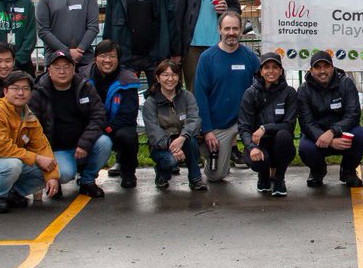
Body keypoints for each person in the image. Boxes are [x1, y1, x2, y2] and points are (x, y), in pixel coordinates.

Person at [0, 70, 60, 213]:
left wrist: (52, 175)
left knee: (48, 168)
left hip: (11, 163)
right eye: (15, 88)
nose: (21, 93)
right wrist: (36, 158)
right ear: (5, 91)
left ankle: (12, 193)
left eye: (25, 89)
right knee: (13, 165)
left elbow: (42, 145)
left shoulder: (29, 116)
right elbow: (3, 149)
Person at [29, 50, 112, 198]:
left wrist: (85, 142)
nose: (62, 71)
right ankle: (55, 182)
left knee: (105, 142)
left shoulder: (84, 87)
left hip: (82, 145)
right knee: (65, 173)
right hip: (56, 149)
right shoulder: (38, 92)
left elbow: (98, 115)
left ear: (73, 69)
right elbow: (33, 127)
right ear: (49, 70)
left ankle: (87, 181)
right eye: (57, 67)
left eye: (67, 67)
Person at [194, 11, 260, 183]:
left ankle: (270, 174)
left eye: (235, 28)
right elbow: (201, 96)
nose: (231, 32)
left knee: (266, 152)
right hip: (220, 124)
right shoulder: (207, 58)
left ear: (240, 31)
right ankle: (209, 154)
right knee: (216, 176)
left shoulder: (251, 57)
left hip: (246, 122)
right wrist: (207, 131)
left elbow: (265, 88)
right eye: (227, 28)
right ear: (219, 30)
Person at [297, 51, 363, 188]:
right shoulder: (303, 90)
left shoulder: (346, 83)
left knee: (361, 136)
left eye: (326, 66)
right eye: (317, 67)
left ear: (332, 67)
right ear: (311, 71)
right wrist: (328, 140)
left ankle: (348, 171)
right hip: (317, 135)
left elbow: (353, 114)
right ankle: (317, 171)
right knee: (305, 148)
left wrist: (332, 132)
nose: (322, 71)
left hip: (342, 131)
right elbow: (306, 123)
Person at [238, 52, 298, 196]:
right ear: (261, 71)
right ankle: (263, 176)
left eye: (275, 67)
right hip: (259, 144)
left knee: (284, 136)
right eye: (267, 67)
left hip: (281, 144)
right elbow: (244, 127)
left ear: (281, 70)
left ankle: (279, 180)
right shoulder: (250, 93)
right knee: (259, 160)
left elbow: (289, 125)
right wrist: (252, 148)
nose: (271, 71)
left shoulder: (289, 93)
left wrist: (265, 128)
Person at [85, 40, 142, 189]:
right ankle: (84, 171)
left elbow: (128, 114)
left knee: (128, 135)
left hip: (117, 127)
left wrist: (107, 128)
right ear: (95, 57)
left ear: (118, 59)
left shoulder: (127, 79)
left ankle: (128, 172)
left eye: (112, 56)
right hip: (92, 126)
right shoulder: (83, 78)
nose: (107, 60)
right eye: (103, 56)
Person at [142, 59, 206, 191]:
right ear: (158, 78)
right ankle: (162, 174)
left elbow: (194, 120)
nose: (170, 79)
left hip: (184, 140)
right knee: (170, 161)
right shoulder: (151, 102)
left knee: (192, 142)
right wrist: (173, 146)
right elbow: (153, 131)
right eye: (165, 75)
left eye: (174, 75)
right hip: (161, 145)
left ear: (179, 77)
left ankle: (195, 179)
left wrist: (182, 138)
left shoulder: (187, 96)